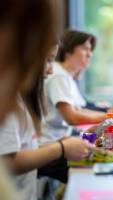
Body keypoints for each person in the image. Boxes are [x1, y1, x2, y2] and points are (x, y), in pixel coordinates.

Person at [0, 40, 94, 200]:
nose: (50, 70)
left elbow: (22, 148)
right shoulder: (7, 103)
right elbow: (7, 162)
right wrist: (61, 148)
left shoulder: (20, 100)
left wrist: (61, 143)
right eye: (48, 60)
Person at [42, 30, 113, 143]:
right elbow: (72, 117)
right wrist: (109, 117)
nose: (90, 54)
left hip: (63, 136)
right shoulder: (59, 76)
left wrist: (109, 115)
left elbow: (80, 110)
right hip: (53, 140)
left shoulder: (66, 76)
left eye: (90, 50)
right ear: (68, 50)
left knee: (112, 138)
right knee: (112, 140)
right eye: (85, 49)